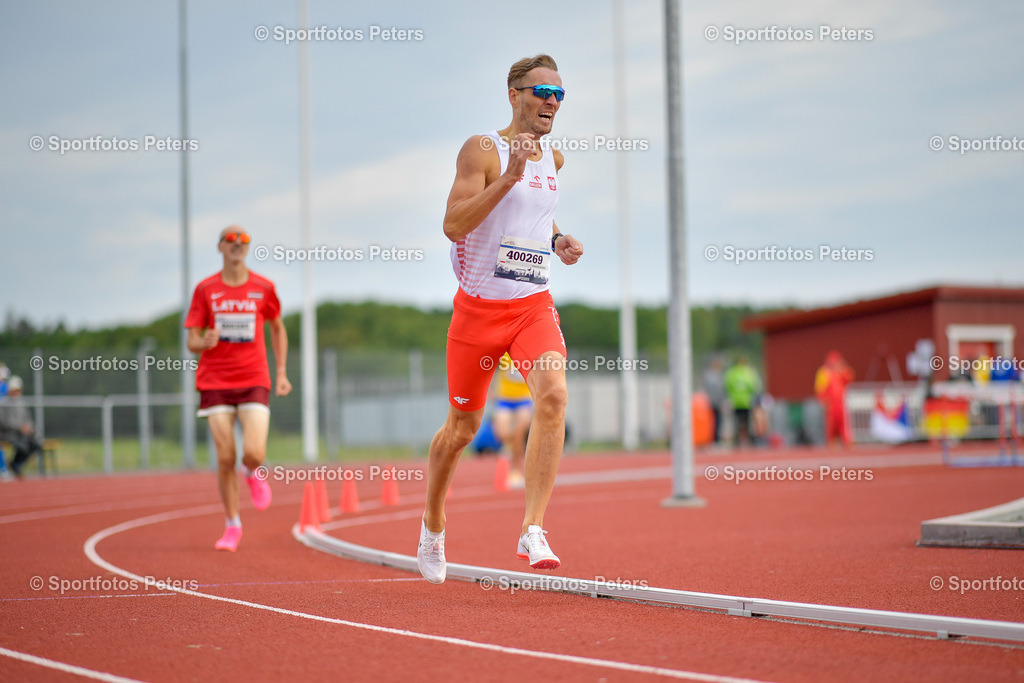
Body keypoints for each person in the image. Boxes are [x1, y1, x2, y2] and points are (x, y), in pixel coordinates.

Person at [417, 54, 584, 584]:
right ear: (515, 95)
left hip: (532, 304)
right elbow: (452, 225)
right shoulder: (482, 150)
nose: (551, 102)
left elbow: (534, 216)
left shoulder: (553, 158)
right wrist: (508, 177)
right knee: (461, 429)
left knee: (553, 396)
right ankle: (433, 523)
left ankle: (533, 527)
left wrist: (557, 240)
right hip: (478, 311)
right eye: (542, 92)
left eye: (559, 94)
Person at [185, 226, 292, 551]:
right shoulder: (206, 289)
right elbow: (191, 339)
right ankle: (232, 525)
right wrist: (202, 341)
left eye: (243, 240)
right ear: (220, 246)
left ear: (248, 247)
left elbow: (277, 327)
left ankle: (252, 470)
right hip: (215, 381)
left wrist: (282, 372)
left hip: (253, 378)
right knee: (225, 457)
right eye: (230, 239)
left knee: (254, 453)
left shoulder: (264, 287)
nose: (237, 244)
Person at [492, 352, 533, 488]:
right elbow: (490, 369)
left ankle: (516, 470)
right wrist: (491, 390)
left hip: (523, 399)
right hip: (504, 399)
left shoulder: (529, 353)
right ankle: (508, 447)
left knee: (519, 435)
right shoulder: (504, 353)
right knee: (502, 433)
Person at [0, 376, 44, 479]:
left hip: (22, 434)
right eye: (14, 390)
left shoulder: (22, 403)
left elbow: (28, 418)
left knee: (36, 444)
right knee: (23, 446)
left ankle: (16, 464)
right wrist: (19, 427)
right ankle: (13, 465)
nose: (16, 392)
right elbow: (3, 422)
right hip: (8, 434)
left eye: (18, 390)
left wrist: (30, 428)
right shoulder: (3, 403)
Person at [814, 350, 854, 447]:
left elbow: (849, 378)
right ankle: (831, 444)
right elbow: (819, 388)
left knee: (843, 424)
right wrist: (823, 401)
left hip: (840, 404)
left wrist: (843, 368)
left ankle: (847, 443)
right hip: (831, 404)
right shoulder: (824, 372)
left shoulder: (841, 371)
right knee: (831, 425)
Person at [723, 355, 761, 448]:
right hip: (743, 401)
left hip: (740, 401)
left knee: (741, 422)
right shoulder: (748, 372)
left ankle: (741, 440)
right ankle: (744, 440)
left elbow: (728, 386)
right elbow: (753, 386)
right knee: (743, 422)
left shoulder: (733, 373)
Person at [702, 356, 726, 444]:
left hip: (716, 401)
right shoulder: (711, 376)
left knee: (718, 420)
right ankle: (713, 439)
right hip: (713, 401)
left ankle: (716, 438)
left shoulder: (717, 375)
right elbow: (715, 389)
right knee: (713, 421)